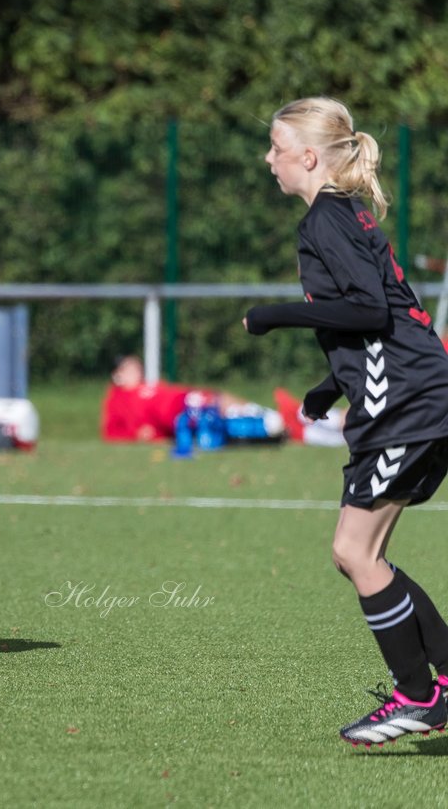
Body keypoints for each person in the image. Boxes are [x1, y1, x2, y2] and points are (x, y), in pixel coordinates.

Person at [244, 96, 448, 745]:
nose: (268, 159)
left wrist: (275, 313)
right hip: (414, 397)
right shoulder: (344, 216)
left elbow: (366, 312)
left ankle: (419, 696)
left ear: (308, 157)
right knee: (362, 555)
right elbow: (386, 312)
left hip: (408, 405)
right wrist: (328, 385)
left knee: (353, 551)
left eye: (276, 148)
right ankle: (436, 683)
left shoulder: (327, 221)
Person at [100, 354, 284, 444]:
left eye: (137, 367)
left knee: (216, 398)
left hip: (185, 400)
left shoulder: (151, 385)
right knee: (212, 417)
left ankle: (263, 415)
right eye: (129, 368)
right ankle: (265, 424)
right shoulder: (118, 399)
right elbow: (111, 431)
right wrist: (136, 435)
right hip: (179, 416)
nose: (136, 371)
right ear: (118, 375)